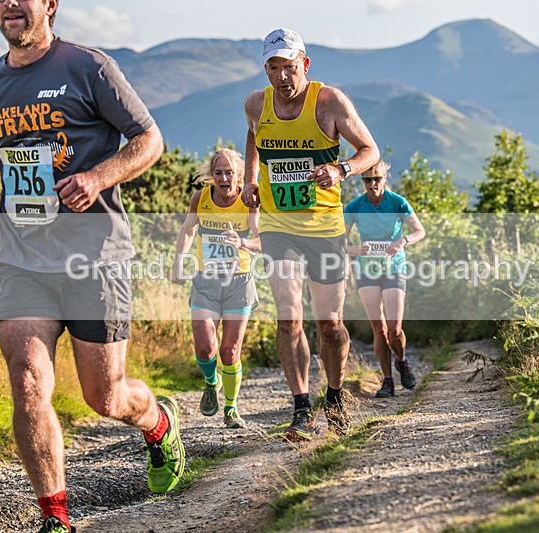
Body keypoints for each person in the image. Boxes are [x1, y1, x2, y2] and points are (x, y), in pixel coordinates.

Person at [0, 1, 183, 531]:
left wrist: (97, 178)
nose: (10, 4)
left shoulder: (89, 67)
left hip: (94, 258)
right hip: (23, 262)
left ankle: (158, 423)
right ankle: (56, 518)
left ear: (49, 5)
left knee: (106, 396)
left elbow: (149, 139)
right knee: (28, 381)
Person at [241, 28, 379, 441]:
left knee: (331, 324)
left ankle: (334, 396)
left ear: (304, 64)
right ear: (265, 68)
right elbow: (253, 136)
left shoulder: (329, 102)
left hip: (324, 226)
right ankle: (301, 407)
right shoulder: (254, 103)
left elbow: (370, 150)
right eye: (273, 68)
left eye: (289, 67)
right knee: (288, 317)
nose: (282, 77)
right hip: (279, 224)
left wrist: (340, 170)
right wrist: (250, 179)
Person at [171, 149, 260, 429]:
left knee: (229, 351)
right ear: (212, 175)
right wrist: (179, 262)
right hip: (206, 281)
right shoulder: (201, 198)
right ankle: (212, 382)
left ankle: (231, 408)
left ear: (239, 175)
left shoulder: (249, 202)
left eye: (229, 172)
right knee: (205, 347)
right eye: (219, 172)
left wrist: (243, 243)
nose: (224, 178)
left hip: (239, 281)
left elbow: (263, 241)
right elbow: (188, 230)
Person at [344, 160, 426, 398]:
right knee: (378, 330)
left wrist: (403, 241)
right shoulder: (354, 207)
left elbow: (419, 231)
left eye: (376, 179)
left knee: (394, 329)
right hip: (366, 270)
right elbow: (339, 243)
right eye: (367, 180)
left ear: (384, 179)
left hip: (394, 267)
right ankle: (387, 381)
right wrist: (358, 250)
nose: (372, 185)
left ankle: (402, 361)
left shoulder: (397, 202)